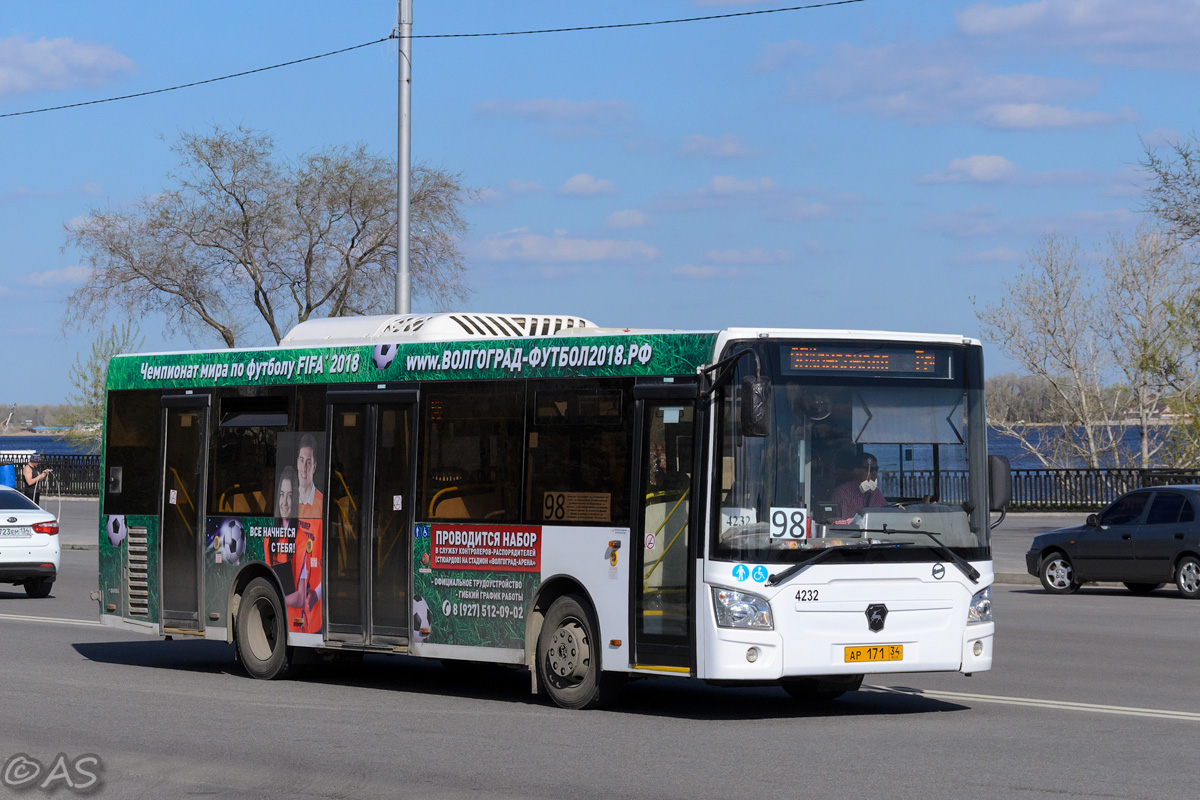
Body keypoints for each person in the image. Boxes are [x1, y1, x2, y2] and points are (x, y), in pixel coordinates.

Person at [831, 452, 886, 524]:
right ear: (856, 470)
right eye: (869, 470)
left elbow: (885, 513)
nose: (874, 473)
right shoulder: (843, 492)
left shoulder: (875, 493)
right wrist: (861, 521)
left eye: (876, 469)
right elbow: (836, 521)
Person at [296, 434, 323, 519]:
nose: (304, 468)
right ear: (297, 463)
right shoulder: (288, 500)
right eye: (301, 460)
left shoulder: (322, 503)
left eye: (308, 462)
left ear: (314, 467)